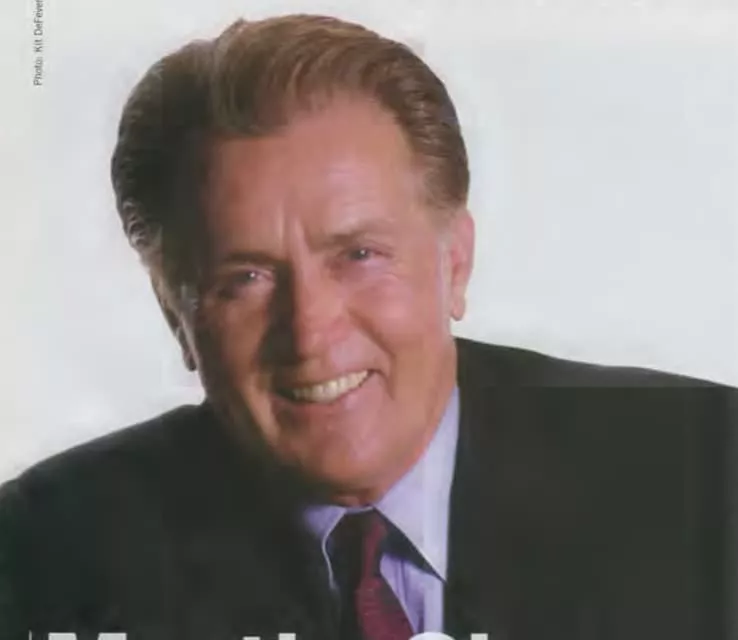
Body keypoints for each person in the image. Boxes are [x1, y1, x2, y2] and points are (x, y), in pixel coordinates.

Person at [0, 13, 735, 640]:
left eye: (358, 255)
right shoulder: (40, 557)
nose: (310, 333)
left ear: (455, 263)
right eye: (244, 279)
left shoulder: (709, 476)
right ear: (176, 317)